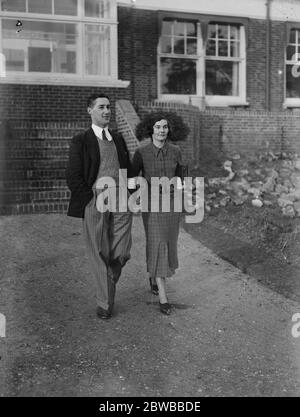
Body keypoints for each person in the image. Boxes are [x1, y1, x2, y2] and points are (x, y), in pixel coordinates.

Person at [66, 94, 133, 320]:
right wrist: (89, 198)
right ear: (90, 111)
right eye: (101, 107)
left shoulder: (119, 138)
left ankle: (107, 284)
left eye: (108, 107)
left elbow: (128, 170)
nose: (107, 111)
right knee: (98, 251)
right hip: (95, 198)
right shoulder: (81, 140)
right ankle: (105, 303)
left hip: (121, 198)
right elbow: (73, 175)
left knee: (122, 251)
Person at [131, 114, 183, 315]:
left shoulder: (176, 151)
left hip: (171, 205)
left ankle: (154, 278)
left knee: (167, 242)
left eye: (165, 127)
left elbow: (181, 176)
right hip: (151, 205)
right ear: (150, 129)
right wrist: (135, 197)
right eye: (158, 127)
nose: (162, 131)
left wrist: (182, 198)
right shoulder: (142, 152)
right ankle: (163, 296)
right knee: (158, 242)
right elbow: (131, 177)